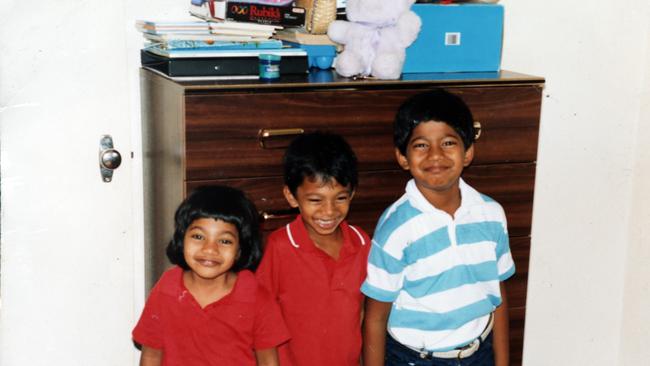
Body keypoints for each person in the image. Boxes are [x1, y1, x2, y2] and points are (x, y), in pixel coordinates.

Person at [362, 89, 515, 366]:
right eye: (421, 145)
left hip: (479, 352)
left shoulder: (491, 214)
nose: (435, 155)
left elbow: (498, 294)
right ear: (402, 157)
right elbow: (375, 316)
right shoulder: (396, 227)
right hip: (415, 358)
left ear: (467, 152)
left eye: (448, 143)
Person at [132, 185, 290, 366]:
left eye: (224, 241)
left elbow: (268, 360)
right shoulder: (167, 288)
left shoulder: (255, 295)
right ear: (182, 239)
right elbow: (151, 355)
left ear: (240, 249)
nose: (209, 249)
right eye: (198, 237)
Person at [255, 132, 371, 366]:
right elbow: (261, 320)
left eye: (340, 198)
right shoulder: (279, 247)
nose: (329, 212)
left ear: (352, 194)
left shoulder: (361, 243)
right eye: (316, 200)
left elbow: (361, 312)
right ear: (291, 196)